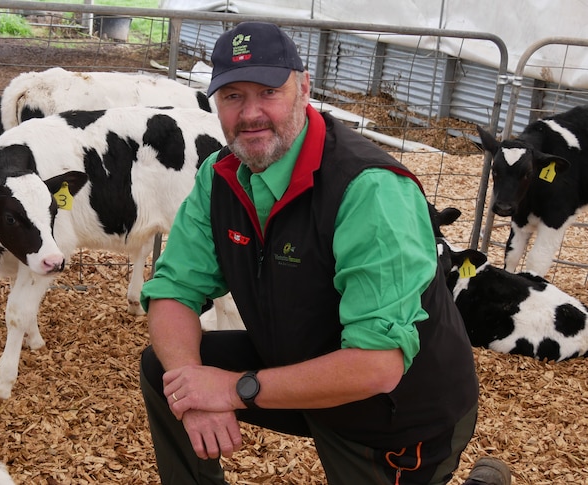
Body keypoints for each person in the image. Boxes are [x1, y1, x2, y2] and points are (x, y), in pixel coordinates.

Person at [138, 21, 512, 485]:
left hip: (393, 414)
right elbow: (173, 289)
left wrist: (233, 389)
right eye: (233, 95)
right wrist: (193, 388)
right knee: (167, 371)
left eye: (268, 91)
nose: (250, 113)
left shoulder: (368, 188)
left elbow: (377, 365)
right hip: (298, 368)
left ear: (304, 88)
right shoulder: (221, 176)